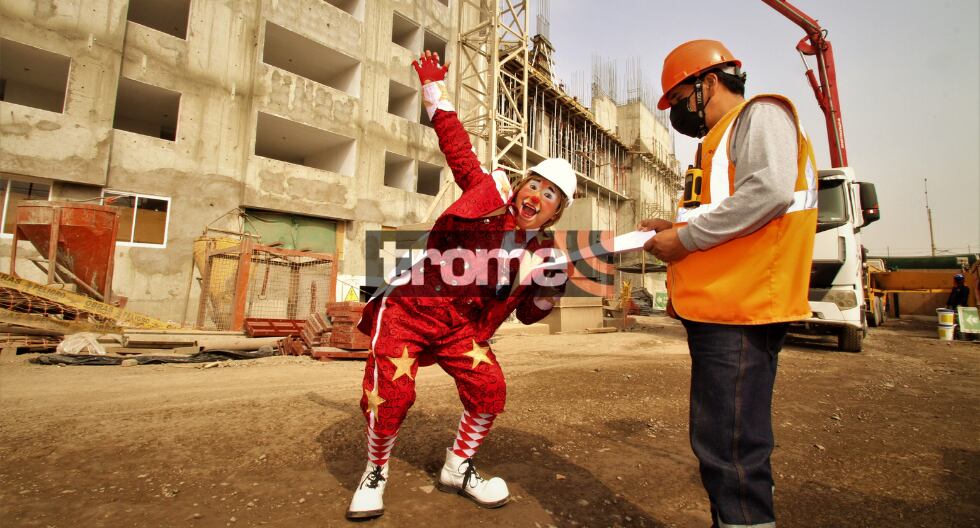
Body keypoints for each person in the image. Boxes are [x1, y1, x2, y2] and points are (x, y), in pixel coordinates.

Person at [346, 50, 577, 520]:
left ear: (557, 211)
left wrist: (549, 288)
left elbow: (531, 315)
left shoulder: (546, 256)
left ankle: (459, 465)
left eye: (549, 194)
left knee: (490, 389)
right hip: (412, 307)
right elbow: (457, 146)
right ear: (520, 187)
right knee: (392, 394)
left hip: (461, 328)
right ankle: (375, 470)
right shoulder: (489, 195)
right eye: (533, 185)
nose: (535, 195)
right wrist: (433, 89)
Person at [639, 40, 818, 527]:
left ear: (709, 84)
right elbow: (720, 212)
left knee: (732, 449)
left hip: (744, 308)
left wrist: (687, 238)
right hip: (724, 308)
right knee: (725, 441)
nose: (676, 111)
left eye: (678, 99)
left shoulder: (759, 117)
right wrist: (672, 229)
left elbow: (771, 191)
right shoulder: (717, 142)